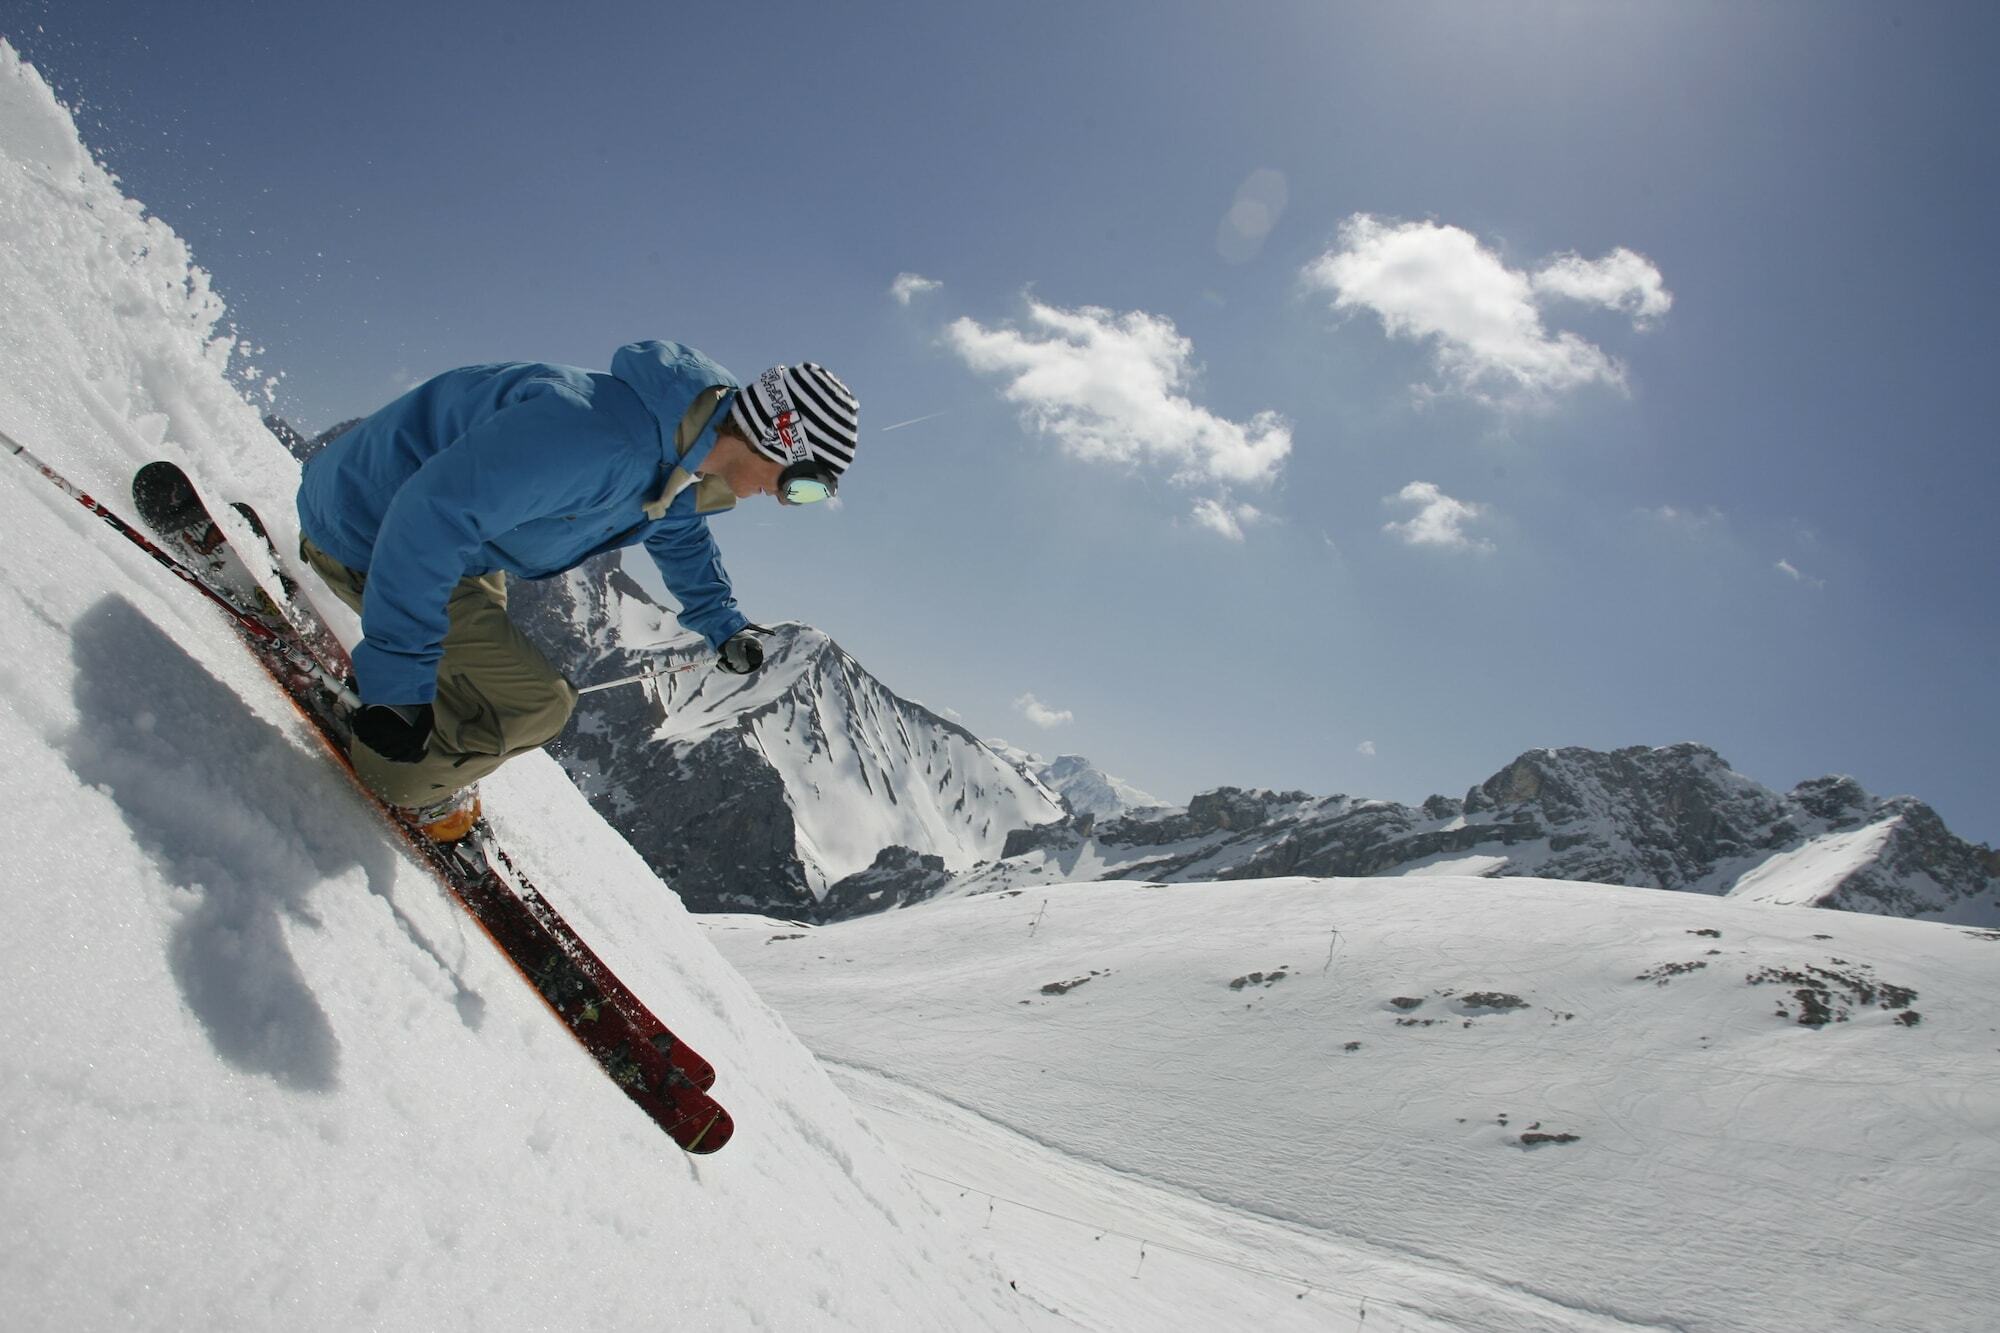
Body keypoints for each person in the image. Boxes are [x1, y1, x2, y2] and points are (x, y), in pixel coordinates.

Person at [294, 340, 859, 841]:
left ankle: (400, 702)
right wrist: (398, 687)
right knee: (538, 705)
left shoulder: (680, 448)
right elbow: (429, 519)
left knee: (488, 665)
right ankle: (394, 773)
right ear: (778, 438)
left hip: (444, 543)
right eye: (804, 485)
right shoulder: (596, 439)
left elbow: (679, 530)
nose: (787, 501)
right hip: (366, 531)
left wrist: (722, 624)